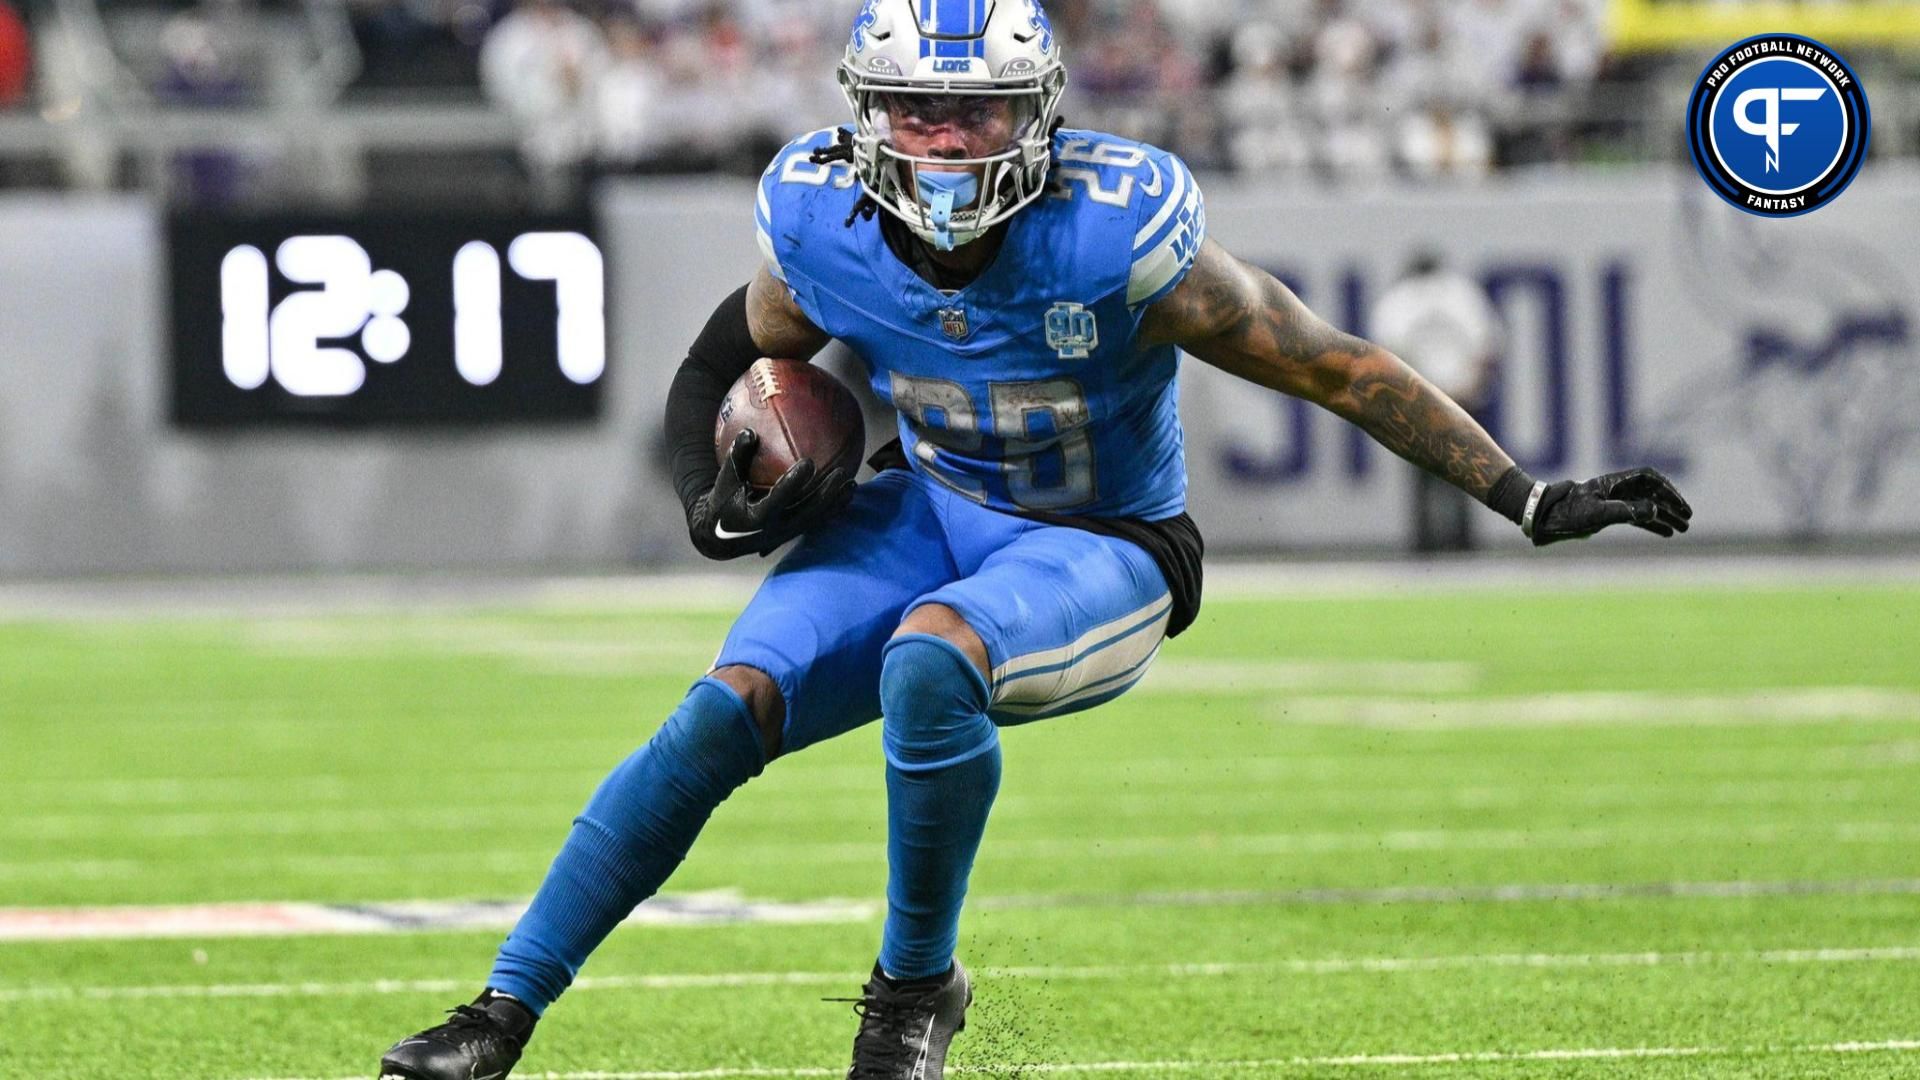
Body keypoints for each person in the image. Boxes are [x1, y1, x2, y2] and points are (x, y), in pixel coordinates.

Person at [376, 2, 1693, 1078]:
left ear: (1038, 117)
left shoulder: (1117, 236)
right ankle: (501, 1015)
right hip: (923, 510)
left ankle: (911, 991)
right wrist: (696, 493)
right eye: (917, 112)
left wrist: (1527, 495)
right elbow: (728, 349)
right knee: (722, 711)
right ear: (868, 116)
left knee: (930, 664)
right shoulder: (821, 220)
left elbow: (1332, 366)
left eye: (979, 113)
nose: (945, 141)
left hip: (1100, 540)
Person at [1371, 250, 1505, 551]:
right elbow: (1487, 346)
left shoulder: (1399, 299)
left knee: (1422, 476)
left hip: (1419, 397)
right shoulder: (1463, 293)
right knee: (1467, 473)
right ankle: (1463, 543)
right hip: (1462, 396)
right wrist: (1472, 384)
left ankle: (1425, 543)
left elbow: (1387, 354)